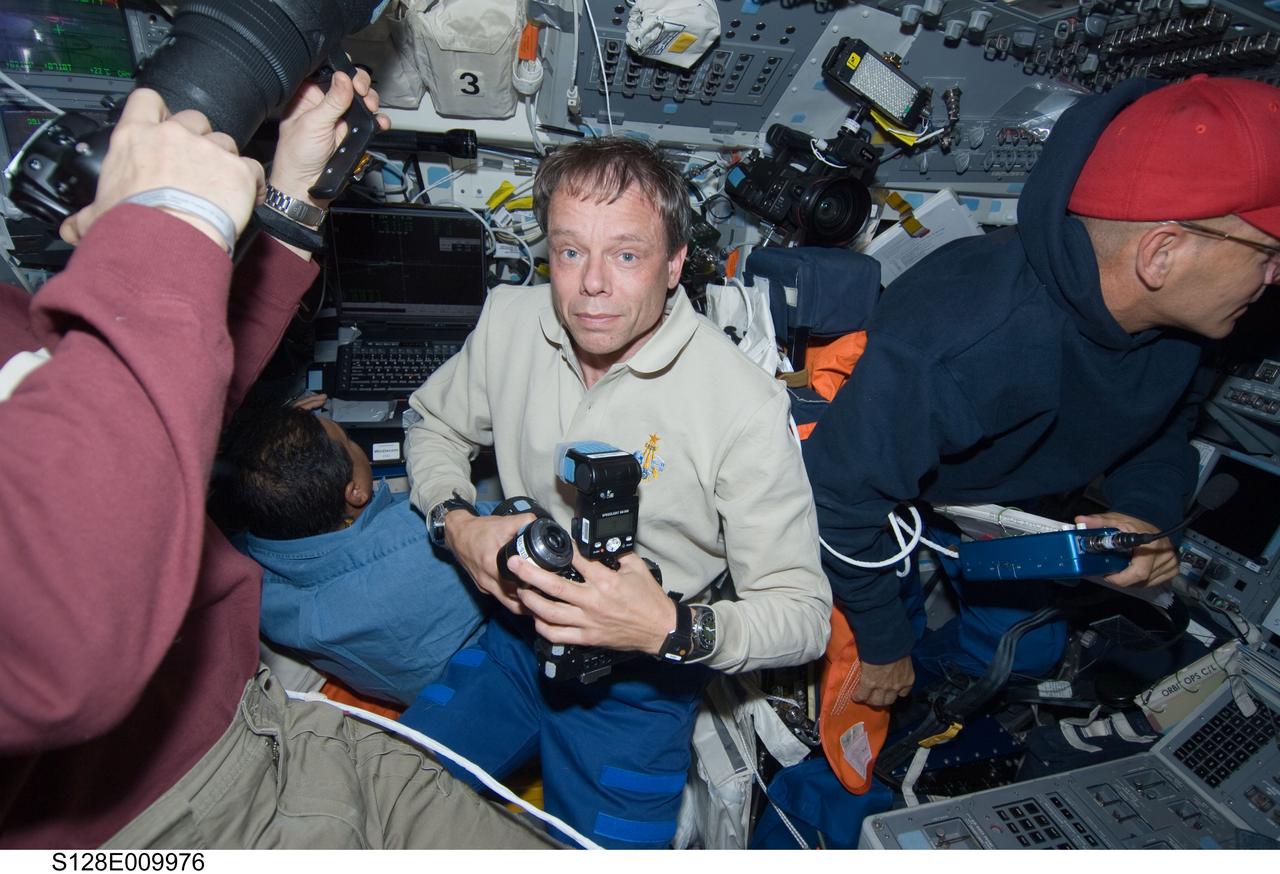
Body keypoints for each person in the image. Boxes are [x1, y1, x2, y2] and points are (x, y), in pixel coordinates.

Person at [0, 74, 556, 849]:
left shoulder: (268, 582)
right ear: (360, 491)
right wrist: (170, 226)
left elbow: (172, 408)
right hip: (180, 821)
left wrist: (297, 201)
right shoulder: (417, 553)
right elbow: (64, 635)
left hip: (274, 732)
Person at [400, 137, 832, 848]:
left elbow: (803, 616)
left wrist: (668, 629)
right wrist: (456, 521)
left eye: (626, 255)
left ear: (673, 266)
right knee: (389, 788)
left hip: (641, 687)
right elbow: (435, 427)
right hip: (514, 640)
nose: (591, 285)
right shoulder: (509, 319)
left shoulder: (741, 403)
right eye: (570, 252)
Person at [803, 74, 1280, 708]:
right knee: (890, 653)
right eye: (1268, 253)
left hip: (1011, 504)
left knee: (1023, 656)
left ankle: (949, 704)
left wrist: (1147, 515)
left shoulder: (1189, 325)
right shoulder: (963, 342)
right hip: (890, 493)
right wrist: (884, 646)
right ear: (1161, 255)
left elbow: (1163, 426)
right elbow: (836, 504)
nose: (1273, 279)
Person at [224, 399, 486, 706]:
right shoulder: (424, 543)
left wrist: (276, 433)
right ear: (356, 491)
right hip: (480, 671)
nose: (352, 441)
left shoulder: (247, 576)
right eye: (348, 440)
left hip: (405, 689)